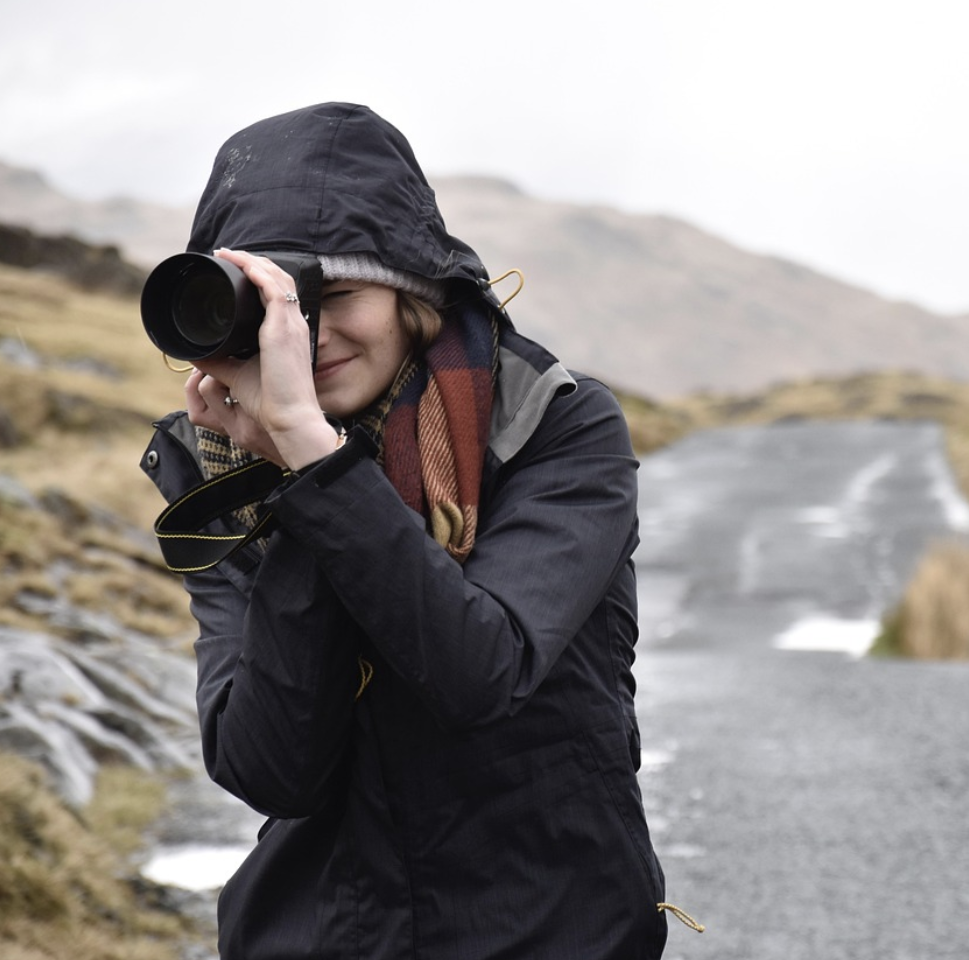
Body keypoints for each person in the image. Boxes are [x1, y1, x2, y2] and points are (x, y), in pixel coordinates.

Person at [140, 103, 671, 959]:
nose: (305, 339)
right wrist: (289, 478)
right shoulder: (222, 471)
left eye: (334, 295)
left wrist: (315, 467)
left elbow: (479, 674)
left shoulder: (549, 426)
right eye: (271, 311)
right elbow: (274, 770)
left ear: (410, 288)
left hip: (548, 930)